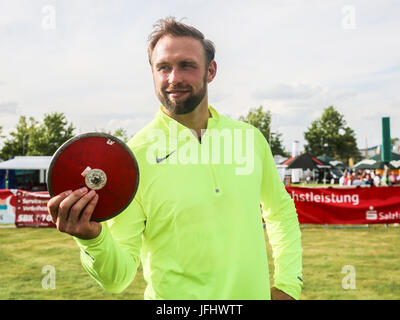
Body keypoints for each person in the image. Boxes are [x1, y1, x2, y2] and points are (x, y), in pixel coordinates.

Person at [47, 17, 302, 300]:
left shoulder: (249, 139)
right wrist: (92, 240)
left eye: (187, 65)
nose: (174, 78)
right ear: (153, 73)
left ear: (211, 70)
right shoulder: (132, 159)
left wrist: (289, 284)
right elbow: (118, 279)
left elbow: (280, 212)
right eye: (163, 67)